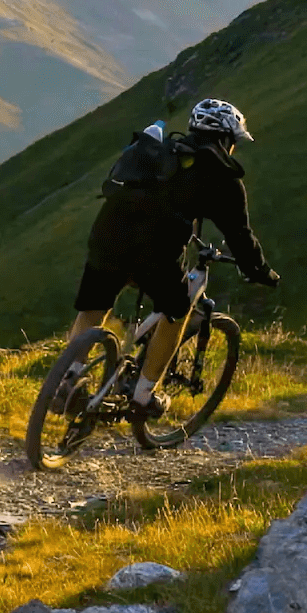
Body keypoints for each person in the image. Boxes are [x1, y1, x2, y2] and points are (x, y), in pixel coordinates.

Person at [64, 98, 280, 413]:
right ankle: (144, 395)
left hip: (107, 234)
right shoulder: (223, 176)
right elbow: (239, 236)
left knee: (94, 306)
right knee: (176, 311)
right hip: (154, 252)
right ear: (226, 139)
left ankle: (66, 380)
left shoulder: (159, 152)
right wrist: (259, 270)